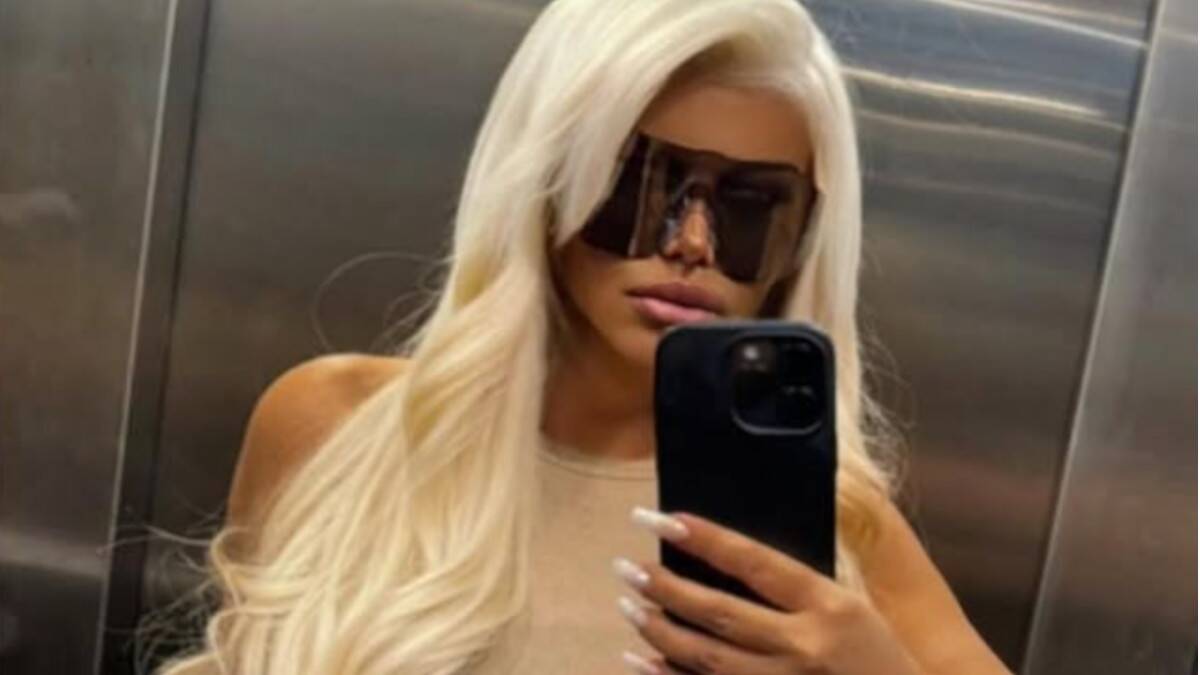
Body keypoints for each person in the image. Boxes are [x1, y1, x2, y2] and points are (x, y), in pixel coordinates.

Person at [159, 0, 1011, 673]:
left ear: (801, 238)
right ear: (548, 181)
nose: (693, 242)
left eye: (752, 206)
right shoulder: (332, 427)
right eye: (643, 184)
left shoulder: (836, 519)